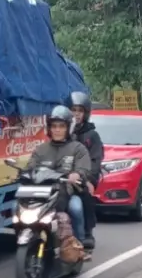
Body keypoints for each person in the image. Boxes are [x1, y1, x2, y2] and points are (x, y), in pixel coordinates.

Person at [29, 105, 92, 246]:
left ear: (68, 128)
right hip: (42, 193)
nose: (57, 130)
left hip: (67, 192)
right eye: (54, 126)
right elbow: (31, 167)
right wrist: (25, 173)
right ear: (49, 128)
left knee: (76, 208)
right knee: (17, 206)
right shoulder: (41, 149)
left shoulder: (78, 148)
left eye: (61, 126)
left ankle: (79, 244)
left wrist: (77, 174)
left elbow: (84, 169)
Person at [70, 91, 103, 250]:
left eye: (79, 110)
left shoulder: (91, 135)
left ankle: (87, 232)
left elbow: (95, 160)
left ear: (86, 113)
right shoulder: (62, 132)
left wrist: (90, 179)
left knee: (86, 194)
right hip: (64, 176)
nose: (76, 114)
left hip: (83, 176)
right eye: (73, 110)